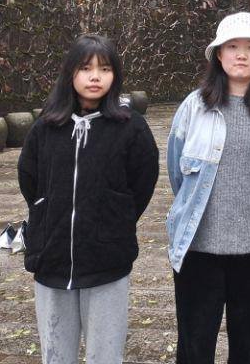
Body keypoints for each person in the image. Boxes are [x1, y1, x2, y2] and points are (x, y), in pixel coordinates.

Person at [18, 33, 159, 364]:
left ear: (115, 75)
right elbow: (29, 179)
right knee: (55, 354)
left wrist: (115, 214)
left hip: (106, 260)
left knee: (105, 355)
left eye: (104, 69)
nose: (95, 77)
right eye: (86, 68)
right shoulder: (46, 127)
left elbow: (142, 182)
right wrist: (47, 212)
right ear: (70, 73)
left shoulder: (132, 128)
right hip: (52, 257)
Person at [166, 12, 250, 364]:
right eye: (233, 46)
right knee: (194, 349)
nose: (241, 55)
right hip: (199, 249)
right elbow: (177, 173)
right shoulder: (194, 107)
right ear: (218, 54)